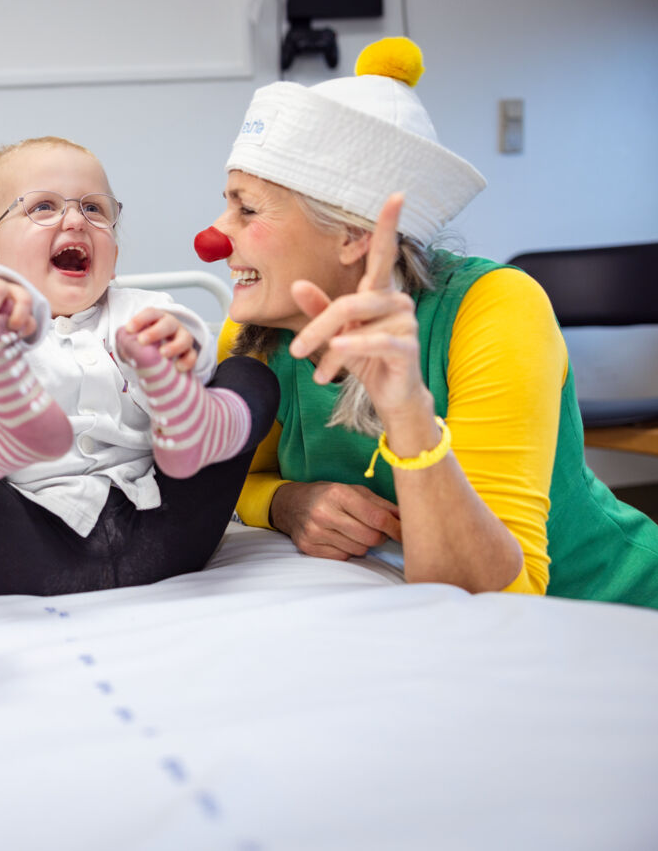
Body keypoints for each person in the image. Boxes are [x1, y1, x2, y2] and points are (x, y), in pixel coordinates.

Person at [196, 37, 658, 607]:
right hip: (425, 628)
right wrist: (287, 503)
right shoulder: (255, 333)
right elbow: (234, 481)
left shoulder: (497, 308)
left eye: (247, 208)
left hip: (605, 613)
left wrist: (407, 412)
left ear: (352, 235)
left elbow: (504, 595)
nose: (214, 237)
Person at [0, 137, 279, 596]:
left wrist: (177, 356)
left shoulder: (140, 311)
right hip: (25, 548)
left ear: (114, 255)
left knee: (248, 374)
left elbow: (192, 342)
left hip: (167, 528)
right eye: (43, 208)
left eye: (94, 209)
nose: (74, 219)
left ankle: (191, 426)